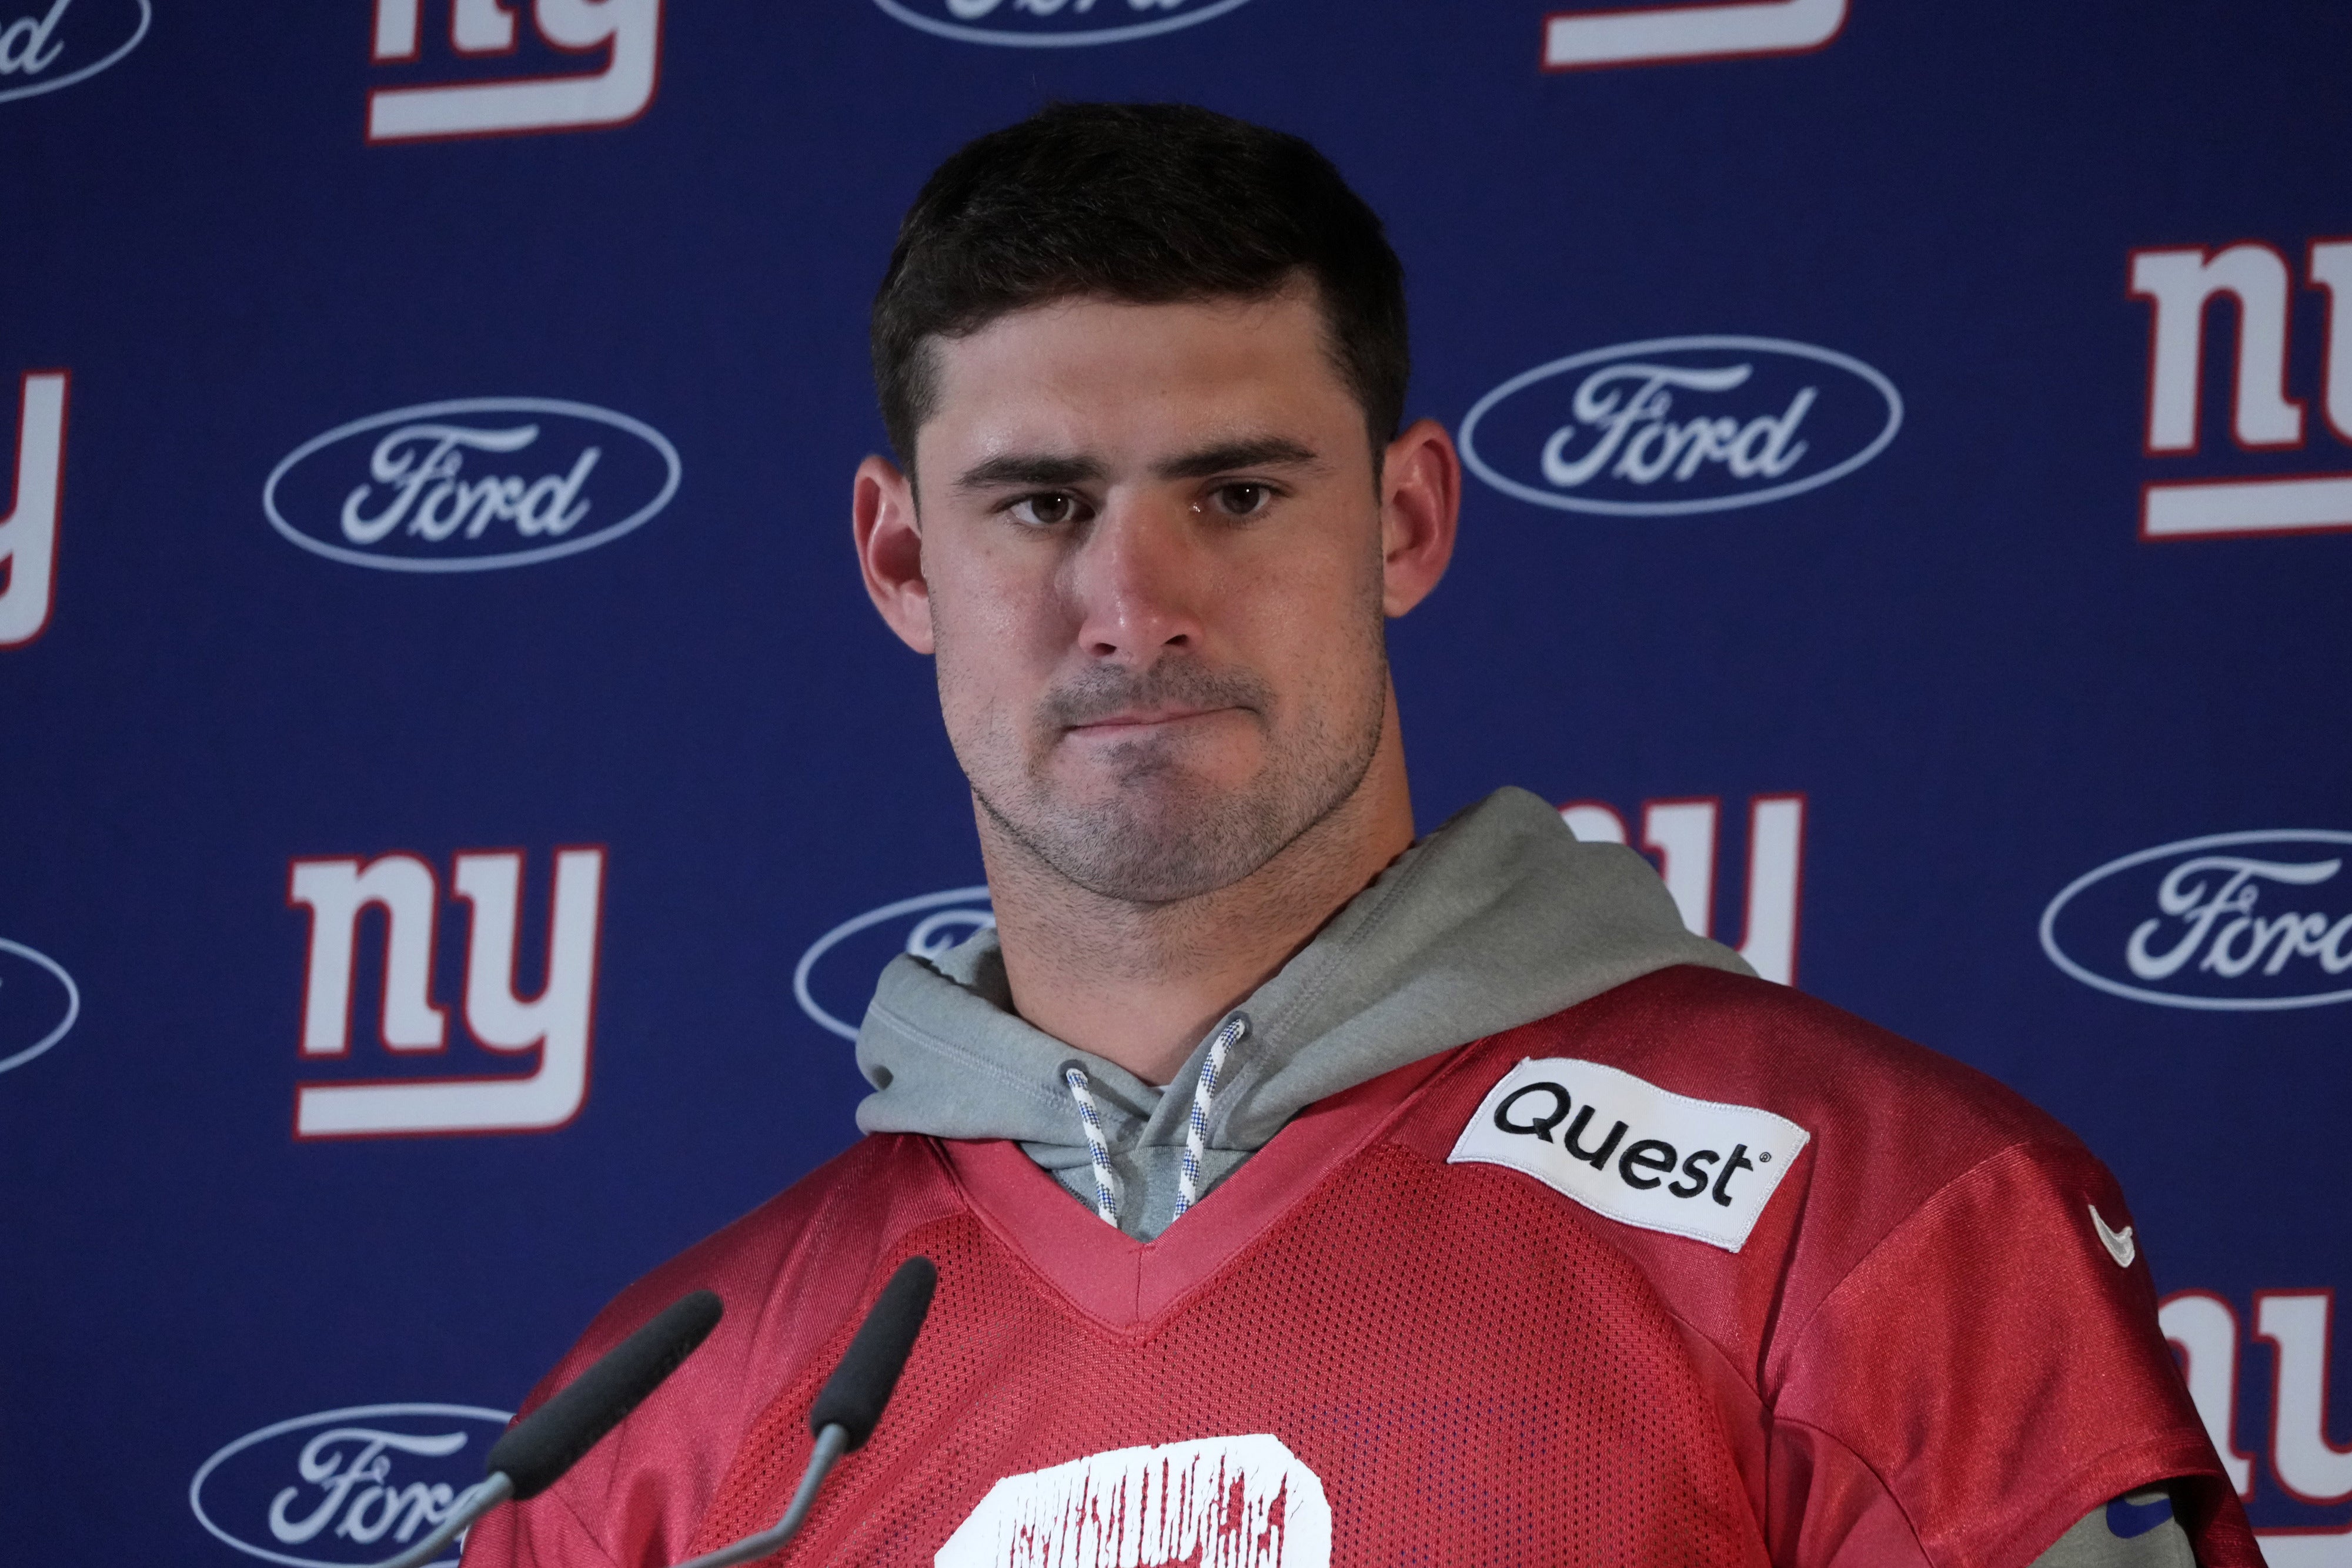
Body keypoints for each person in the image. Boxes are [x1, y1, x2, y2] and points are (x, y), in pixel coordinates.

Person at [462, 103, 2256, 1567]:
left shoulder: (1860, 1216)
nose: (1132, 605)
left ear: (1404, 521)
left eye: (1236, 493)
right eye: (1038, 505)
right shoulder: (666, 1423)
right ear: (903, 562)